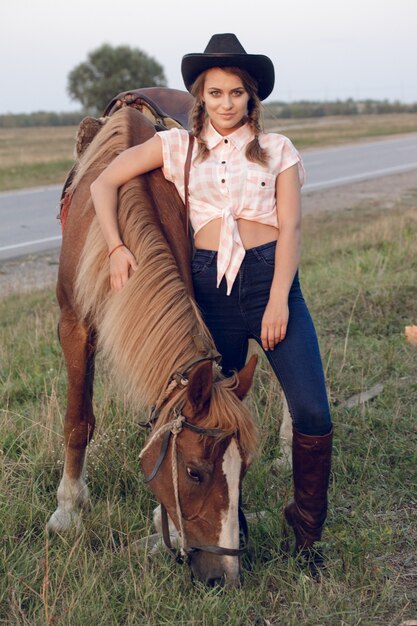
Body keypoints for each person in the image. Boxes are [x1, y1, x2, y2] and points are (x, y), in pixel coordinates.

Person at [90, 33, 333, 565]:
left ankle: (307, 531)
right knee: (204, 417)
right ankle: (222, 521)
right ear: (201, 97)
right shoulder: (177, 147)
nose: (227, 103)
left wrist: (278, 302)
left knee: (313, 411)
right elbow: (104, 182)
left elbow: (289, 228)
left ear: (252, 98)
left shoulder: (278, 150)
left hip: (270, 280)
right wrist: (114, 247)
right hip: (211, 290)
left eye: (237, 93)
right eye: (216, 93)